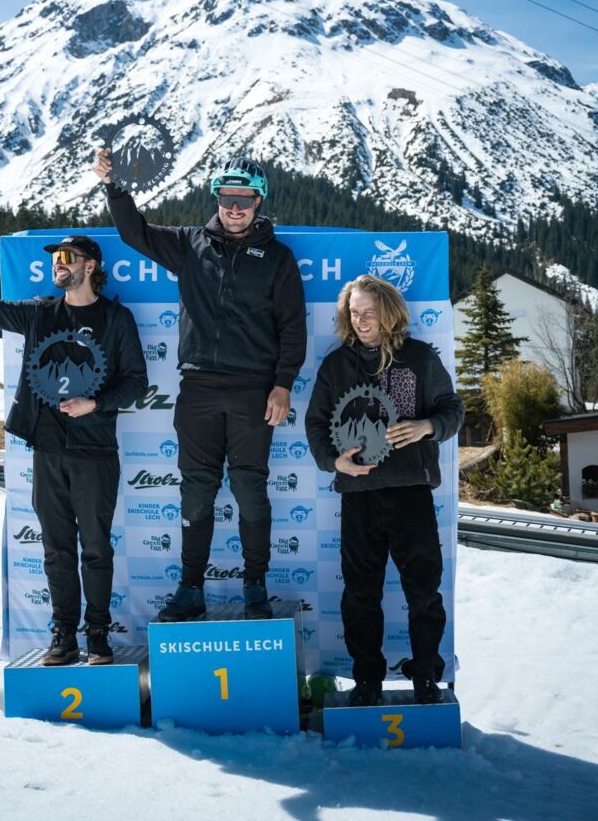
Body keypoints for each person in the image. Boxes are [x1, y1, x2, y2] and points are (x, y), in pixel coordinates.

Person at [93, 151, 307, 621]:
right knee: (196, 492)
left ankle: (255, 588)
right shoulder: (191, 244)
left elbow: (293, 327)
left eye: (244, 200)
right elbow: (135, 233)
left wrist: (283, 385)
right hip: (198, 390)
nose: (235, 208)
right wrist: (113, 187)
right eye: (227, 199)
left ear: (259, 201)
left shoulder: (278, 258)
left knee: (250, 488)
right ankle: (190, 589)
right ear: (217, 199)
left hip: (254, 391)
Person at [0, 234, 148, 666]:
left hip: (96, 451)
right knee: (56, 549)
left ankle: (98, 635)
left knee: (97, 548)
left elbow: (136, 383)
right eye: (55, 259)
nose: (58, 265)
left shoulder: (116, 318)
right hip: (47, 450)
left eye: (67, 258)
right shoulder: (39, 313)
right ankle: (64, 635)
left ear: (90, 266)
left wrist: (94, 404)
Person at [305, 274, 463, 705]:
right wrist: (332, 461)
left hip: (411, 491)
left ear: (388, 312)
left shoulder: (419, 358)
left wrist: (428, 425)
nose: (360, 320)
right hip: (359, 494)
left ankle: (427, 676)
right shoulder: (336, 365)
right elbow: (316, 423)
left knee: (424, 592)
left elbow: (453, 409)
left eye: (368, 312)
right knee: (359, 594)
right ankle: (367, 680)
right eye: (353, 313)